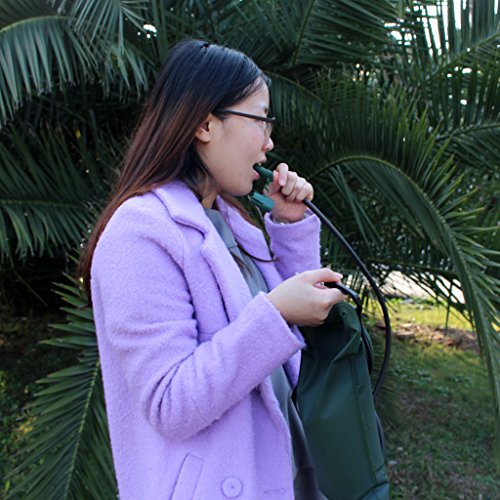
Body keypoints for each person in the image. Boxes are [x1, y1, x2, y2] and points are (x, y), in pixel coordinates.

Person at [80, 39, 345, 499]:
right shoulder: (138, 233)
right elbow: (170, 402)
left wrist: (290, 227)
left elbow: (296, 357)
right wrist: (276, 315)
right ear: (205, 123)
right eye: (261, 119)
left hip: (285, 475)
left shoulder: (228, 222)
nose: (269, 141)